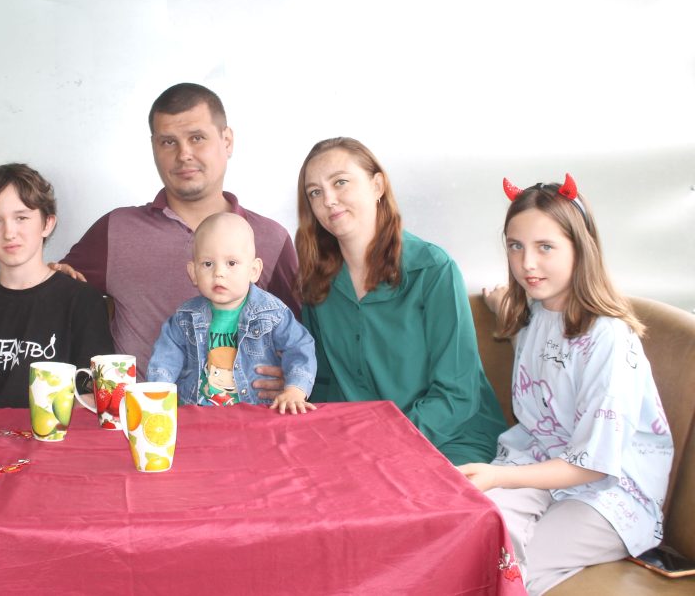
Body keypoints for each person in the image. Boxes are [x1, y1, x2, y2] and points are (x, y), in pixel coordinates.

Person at [457, 175, 673, 595]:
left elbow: (594, 463)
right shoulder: (538, 313)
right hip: (539, 464)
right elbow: (544, 352)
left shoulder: (609, 340)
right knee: (471, 537)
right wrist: (503, 306)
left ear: (580, 248)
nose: (527, 263)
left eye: (545, 247)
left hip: (609, 492)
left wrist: (497, 477)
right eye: (515, 246)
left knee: (507, 570)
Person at [58, 83, 298, 384]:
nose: (184, 154)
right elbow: (51, 300)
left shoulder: (271, 239)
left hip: (241, 410)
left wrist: (291, 378)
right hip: (140, 410)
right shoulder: (115, 230)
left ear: (227, 141)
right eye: (168, 142)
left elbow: (300, 339)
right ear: (154, 148)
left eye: (197, 138)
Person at [296, 137, 506, 464]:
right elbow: (321, 383)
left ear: (377, 185)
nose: (328, 200)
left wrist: (383, 441)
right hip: (359, 445)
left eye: (340, 182)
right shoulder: (316, 282)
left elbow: (457, 394)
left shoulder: (433, 270)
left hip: (449, 439)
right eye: (315, 192)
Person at [0, 163, 114, 408]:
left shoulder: (82, 302)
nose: (9, 233)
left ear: (47, 223)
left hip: (53, 431)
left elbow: (96, 396)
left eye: (21, 218)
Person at [148, 212, 316, 414]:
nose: (219, 273)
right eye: (208, 264)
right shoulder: (185, 317)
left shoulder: (272, 313)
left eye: (231, 263)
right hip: (198, 413)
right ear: (193, 273)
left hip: (256, 413)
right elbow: (165, 358)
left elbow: (300, 347)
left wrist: (295, 389)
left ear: (254, 270)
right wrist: (157, 392)